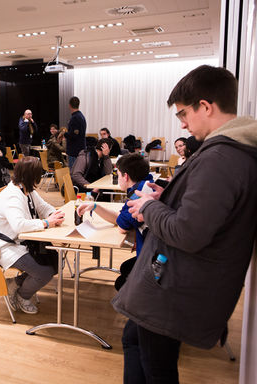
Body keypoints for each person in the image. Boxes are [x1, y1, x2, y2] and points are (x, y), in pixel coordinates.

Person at [113, 65, 257, 383]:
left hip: (174, 288)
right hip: (175, 283)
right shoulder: (228, 153)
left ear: (205, 106)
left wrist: (150, 207)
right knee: (134, 340)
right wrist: (169, 197)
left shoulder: (221, 158)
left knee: (158, 369)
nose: (182, 124)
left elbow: (187, 233)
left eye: (183, 114)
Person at [0, 157, 66, 314]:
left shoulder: (25, 188)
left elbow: (43, 207)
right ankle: (22, 296)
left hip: (20, 240)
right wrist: (47, 223)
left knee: (56, 263)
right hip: (3, 245)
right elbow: (19, 225)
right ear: (31, 177)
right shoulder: (13, 195)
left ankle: (14, 283)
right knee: (45, 272)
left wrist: (55, 214)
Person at [76, 153, 153, 291]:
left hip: (153, 258)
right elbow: (120, 217)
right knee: (125, 268)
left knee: (121, 283)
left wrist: (120, 219)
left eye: (118, 174)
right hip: (152, 252)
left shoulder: (138, 195)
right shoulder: (144, 185)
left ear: (126, 176)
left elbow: (122, 226)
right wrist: (95, 206)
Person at [64, 96, 87, 168]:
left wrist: (64, 133)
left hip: (74, 151)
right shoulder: (81, 116)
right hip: (80, 149)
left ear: (69, 105)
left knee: (73, 173)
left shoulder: (75, 118)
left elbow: (73, 135)